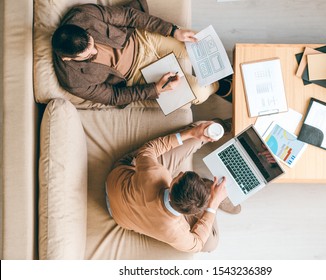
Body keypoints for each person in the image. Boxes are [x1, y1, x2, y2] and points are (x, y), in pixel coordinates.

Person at [105, 121, 240, 252]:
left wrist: (190, 134)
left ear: (171, 186)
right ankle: (211, 191)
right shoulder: (175, 230)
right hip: (123, 193)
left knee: (198, 133)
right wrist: (213, 205)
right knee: (211, 243)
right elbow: (197, 245)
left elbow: (148, 150)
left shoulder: (154, 176)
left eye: (180, 175)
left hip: (117, 191)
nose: (180, 172)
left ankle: (210, 190)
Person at [51, 1, 220, 106]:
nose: (94, 51)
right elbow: (113, 97)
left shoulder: (83, 15)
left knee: (201, 42)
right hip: (137, 75)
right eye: (88, 55)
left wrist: (173, 30)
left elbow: (129, 16)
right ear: (68, 58)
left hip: (142, 39)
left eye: (91, 42)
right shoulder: (72, 80)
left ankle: (222, 72)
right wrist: (155, 89)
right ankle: (219, 85)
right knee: (200, 92)